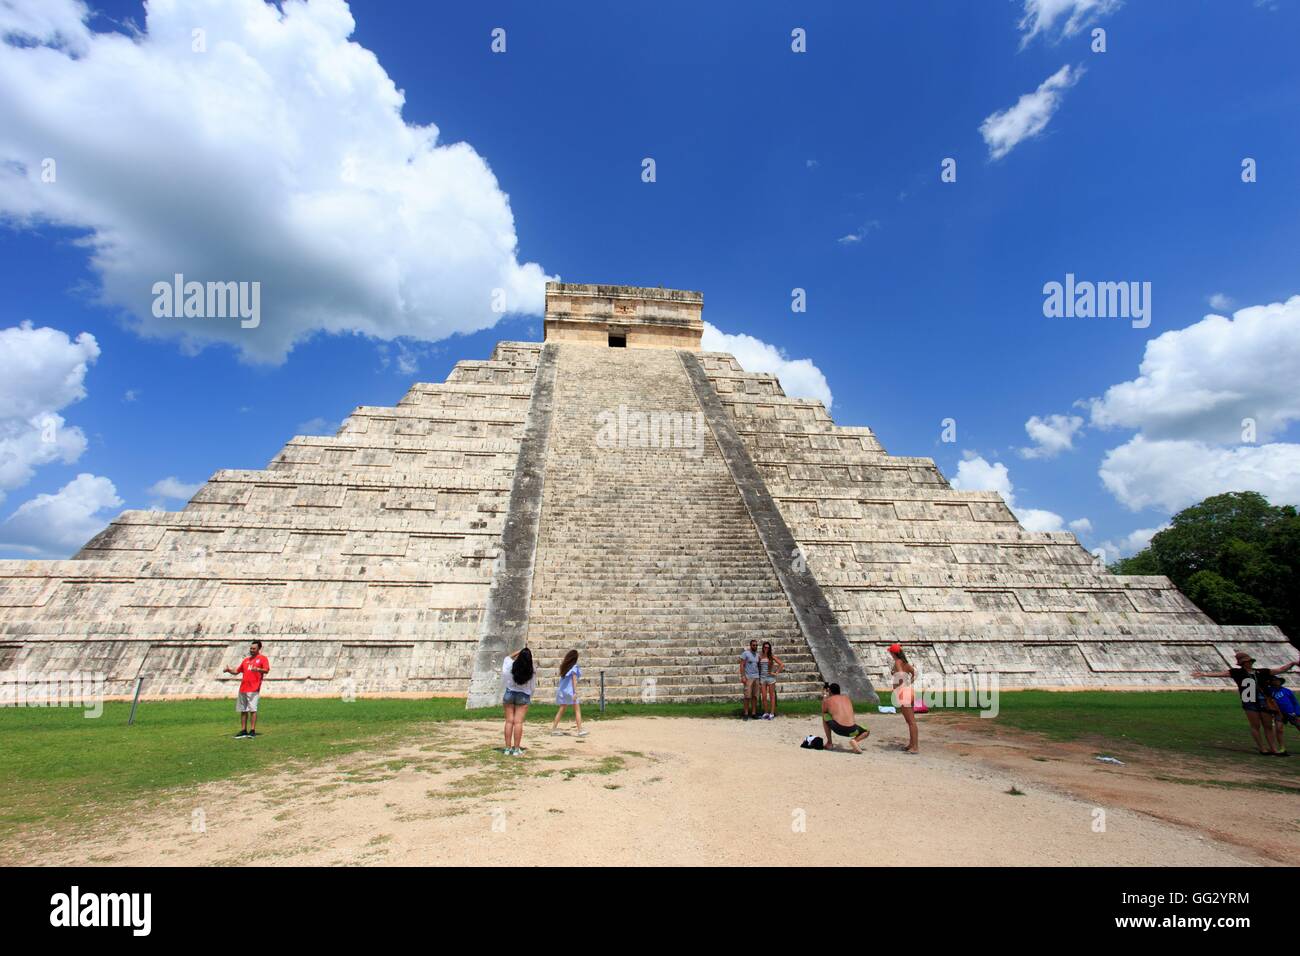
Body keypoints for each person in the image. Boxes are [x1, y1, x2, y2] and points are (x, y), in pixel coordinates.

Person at [1192, 650, 1298, 756]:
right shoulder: (1237, 672)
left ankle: (1274, 748)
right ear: (1242, 663)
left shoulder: (1261, 672)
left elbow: (1280, 670)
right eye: (1247, 661)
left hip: (1264, 700)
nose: (1249, 663)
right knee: (1255, 725)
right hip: (1249, 700)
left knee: (1268, 725)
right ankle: (1262, 748)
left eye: (1250, 661)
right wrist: (1204, 674)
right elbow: (1221, 674)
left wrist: (1292, 663)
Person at [223, 640, 270, 739]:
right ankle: (244, 730)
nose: (252, 650)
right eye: (251, 648)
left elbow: (266, 670)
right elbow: (237, 671)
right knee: (243, 710)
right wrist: (229, 670)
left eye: (254, 648)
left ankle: (252, 730)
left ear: (259, 649)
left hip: (254, 688)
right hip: (243, 688)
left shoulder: (262, 659)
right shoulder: (246, 660)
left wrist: (258, 669)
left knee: (252, 709)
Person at [501, 647, 536, 756]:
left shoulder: (510, 666)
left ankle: (507, 748)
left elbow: (507, 658)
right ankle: (516, 749)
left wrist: (519, 651)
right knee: (518, 722)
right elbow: (532, 686)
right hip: (523, 695)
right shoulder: (531, 670)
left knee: (509, 722)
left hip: (510, 693)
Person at [821, 681, 870, 753]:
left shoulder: (827, 701)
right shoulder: (847, 698)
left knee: (825, 715)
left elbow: (824, 710)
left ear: (829, 691)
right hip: (853, 731)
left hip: (838, 729)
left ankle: (829, 743)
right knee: (866, 730)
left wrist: (825, 695)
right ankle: (855, 740)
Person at [888, 643, 919, 754]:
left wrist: (900, 683)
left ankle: (915, 747)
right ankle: (911, 744)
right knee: (910, 721)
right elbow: (914, 673)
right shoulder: (904, 662)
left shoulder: (897, 662)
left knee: (911, 722)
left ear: (893, 653)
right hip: (907, 691)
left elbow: (901, 674)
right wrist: (909, 682)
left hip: (903, 692)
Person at [551, 649, 588, 737]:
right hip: (570, 692)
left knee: (561, 710)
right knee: (577, 711)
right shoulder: (574, 667)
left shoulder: (565, 667)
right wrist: (575, 692)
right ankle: (580, 730)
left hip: (563, 691)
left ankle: (554, 729)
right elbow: (574, 680)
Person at [758, 641, 784, 719]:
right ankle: (766, 712)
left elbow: (781, 664)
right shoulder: (760, 656)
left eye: (768, 647)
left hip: (770, 678)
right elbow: (759, 667)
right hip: (762, 678)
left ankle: (772, 713)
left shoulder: (771, 656)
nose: (766, 648)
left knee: (772, 696)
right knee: (764, 696)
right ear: (763, 647)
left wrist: (775, 673)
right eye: (765, 647)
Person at [739, 640, 762, 719]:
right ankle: (745, 713)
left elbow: (759, 666)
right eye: (753, 645)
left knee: (755, 696)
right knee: (747, 696)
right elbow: (741, 665)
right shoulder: (745, 654)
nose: (755, 646)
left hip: (756, 677)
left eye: (756, 645)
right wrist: (743, 676)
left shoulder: (757, 655)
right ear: (750, 645)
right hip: (748, 677)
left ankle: (753, 713)